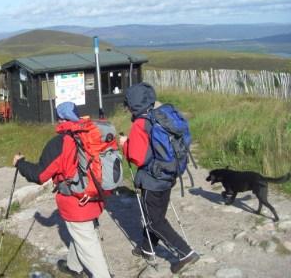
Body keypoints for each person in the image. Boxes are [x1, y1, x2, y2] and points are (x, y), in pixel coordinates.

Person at [13, 101, 111, 278]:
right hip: (94, 196)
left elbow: (40, 175)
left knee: (89, 245)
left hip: (76, 202)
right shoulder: (90, 134)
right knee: (83, 233)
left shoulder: (59, 143)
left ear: (59, 119)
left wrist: (20, 163)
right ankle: (74, 266)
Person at [118, 82, 200, 274]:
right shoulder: (159, 115)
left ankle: (186, 253)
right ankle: (148, 248)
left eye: (128, 104)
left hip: (152, 179)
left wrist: (124, 144)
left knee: (155, 221)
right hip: (168, 173)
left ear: (134, 104)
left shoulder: (140, 124)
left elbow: (138, 157)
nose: (127, 107)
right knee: (154, 215)